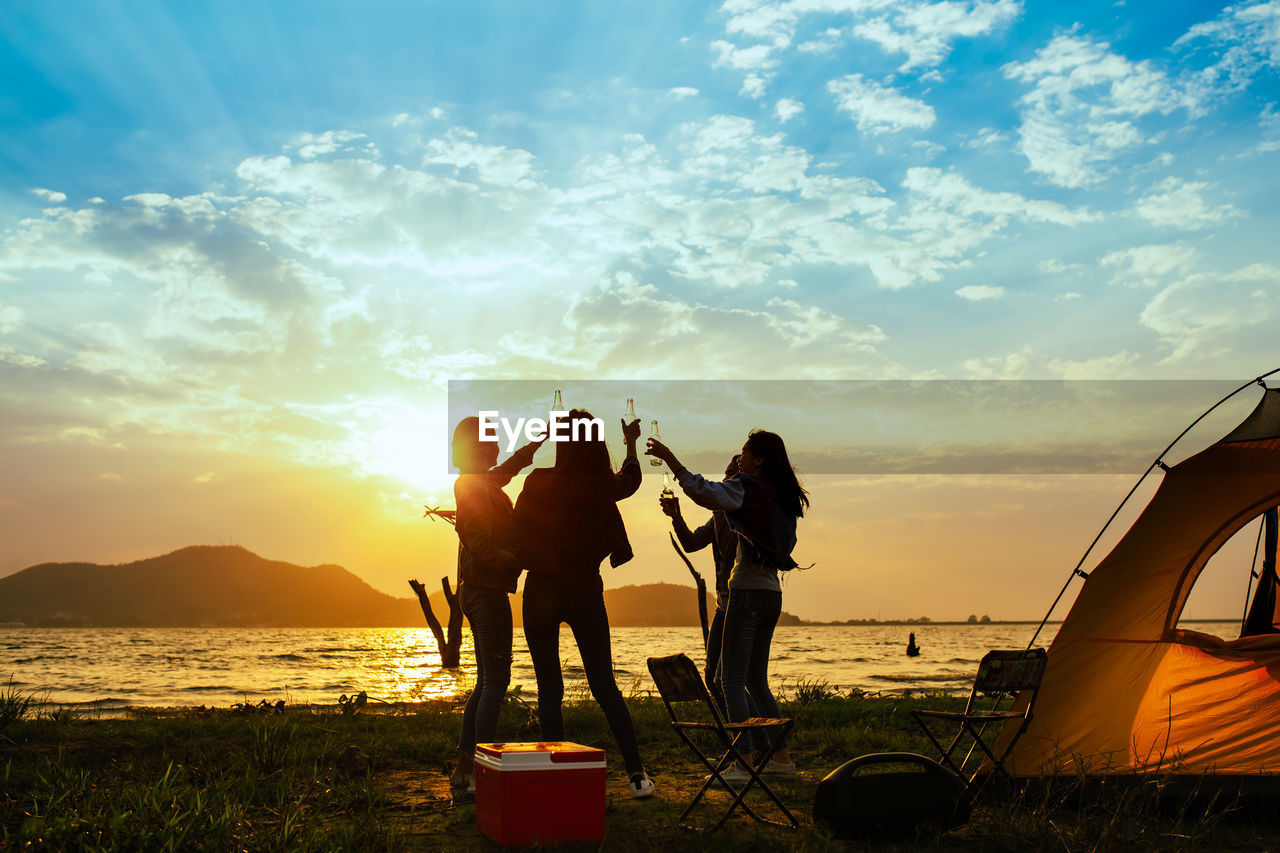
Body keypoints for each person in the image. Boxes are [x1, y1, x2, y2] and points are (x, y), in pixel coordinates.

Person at [647, 429, 808, 781]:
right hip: (772, 594)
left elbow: (703, 491)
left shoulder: (749, 488)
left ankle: (744, 761)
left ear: (758, 460)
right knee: (756, 680)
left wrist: (671, 458)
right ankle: (781, 760)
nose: (741, 458)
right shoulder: (784, 498)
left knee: (729, 679)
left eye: (745, 452)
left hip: (746, 591)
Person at [512, 410, 655, 799]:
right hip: (586, 591)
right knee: (605, 685)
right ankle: (637, 775)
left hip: (541, 589)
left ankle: (555, 776)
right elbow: (632, 479)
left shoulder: (538, 482)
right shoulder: (601, 485)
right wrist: (629, 442)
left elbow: (516, 531)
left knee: (549, 688)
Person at [449, 416, 541, 796]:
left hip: (484, 590)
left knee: (486, 681)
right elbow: (479, 545)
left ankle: (465, 767)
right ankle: (481, 772)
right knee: (496, 680)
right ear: (476, 447)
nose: (497, 447)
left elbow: (506, 470)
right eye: (491, 442)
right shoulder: (470, 485)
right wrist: (520, 559)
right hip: (485, 591)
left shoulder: (480, 481)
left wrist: (534, 445)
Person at [659, 454, 741, 713]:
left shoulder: (741, 514)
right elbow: (692, 544)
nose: (728, 481)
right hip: (723, 605)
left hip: (741, 604)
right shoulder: (719, 515)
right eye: (727, 476)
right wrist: (677, 517)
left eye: (734, 477)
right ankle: (739, 734)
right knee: (713, 678)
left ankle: (752, 739)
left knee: (727, 680)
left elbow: (729, 552)